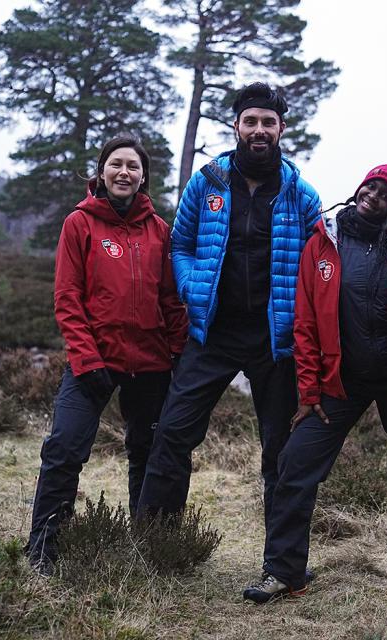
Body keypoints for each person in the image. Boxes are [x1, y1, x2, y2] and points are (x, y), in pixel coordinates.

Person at [243, 164, 387, 603]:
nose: (373, 195)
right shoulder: (322, 246)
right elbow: (304, 324)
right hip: (341, 384)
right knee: (295, 465)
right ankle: (285, 572)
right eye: (371, 185)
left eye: (385, 193)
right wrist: (308, 392)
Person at [136, 82, 321, 535]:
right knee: (173, 434)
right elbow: (180, 244)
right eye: (251, 121)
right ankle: (157, 544)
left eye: (268, 123)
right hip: (212, 332)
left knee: (280, 448)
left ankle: (281, 560)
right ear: (236, 126)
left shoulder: (302, 194)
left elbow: (320, 264)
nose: (259, 130)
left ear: (282, 129)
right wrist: (190, 283)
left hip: (275, 338)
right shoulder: (208, 182)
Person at [26, 135, 188, 575]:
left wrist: (178, 356)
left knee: (149, 453)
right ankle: (44, 548)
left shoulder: (160, 230)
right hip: (92, 361)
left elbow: (171, 301)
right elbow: (67, 298)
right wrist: (87, 358)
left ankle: (149, 546)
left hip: (152, 363)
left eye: (133, 166)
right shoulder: (79, 223)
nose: (124, 172)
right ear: (100, 172)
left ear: (143, 177)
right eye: (115, 164)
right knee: (64, 448)